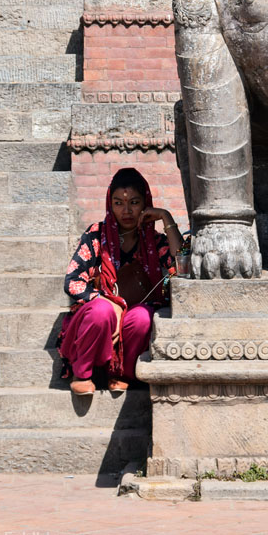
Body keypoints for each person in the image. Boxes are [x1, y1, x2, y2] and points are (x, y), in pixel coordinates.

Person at [59, 168, 183, 395]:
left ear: (145, 203)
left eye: (134, 202)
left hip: (131, 322)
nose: (126, 211)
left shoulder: (154, 242)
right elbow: (73, 282)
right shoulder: (96, 236)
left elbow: (183, 265)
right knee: (101, 311)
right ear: (110, 204)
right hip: (99, 321)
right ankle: (82, 372)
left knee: (143, 317)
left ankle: (121, 373)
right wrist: (111, 303)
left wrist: (166, 217)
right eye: (118, 203)